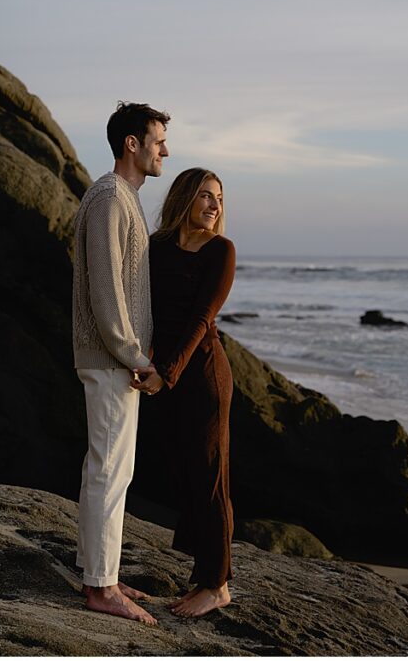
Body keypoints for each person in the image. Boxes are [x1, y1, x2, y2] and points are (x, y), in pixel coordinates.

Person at [71, 101, 170, 624]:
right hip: (112, 361)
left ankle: (98, 571)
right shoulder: (110, 198)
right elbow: (107, 292)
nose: (165, 152)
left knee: (108, 470)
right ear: (131, 143)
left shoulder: (122, 198)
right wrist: (135, 356)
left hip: (117, 361)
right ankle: (101, 588)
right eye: (158, 142)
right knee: (109, 471)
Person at [141, 167, 236, 617]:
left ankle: (217, 584)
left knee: (211, 474)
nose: (215, 204)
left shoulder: (221, 250)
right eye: (205, 195)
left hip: (203, 375)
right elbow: (145, 310)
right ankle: (202, 574)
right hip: (167, 372)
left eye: (219, 197)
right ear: (184, 198)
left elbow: (202, 319)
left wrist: (167, 372)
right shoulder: (156, 247)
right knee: (183, 471)